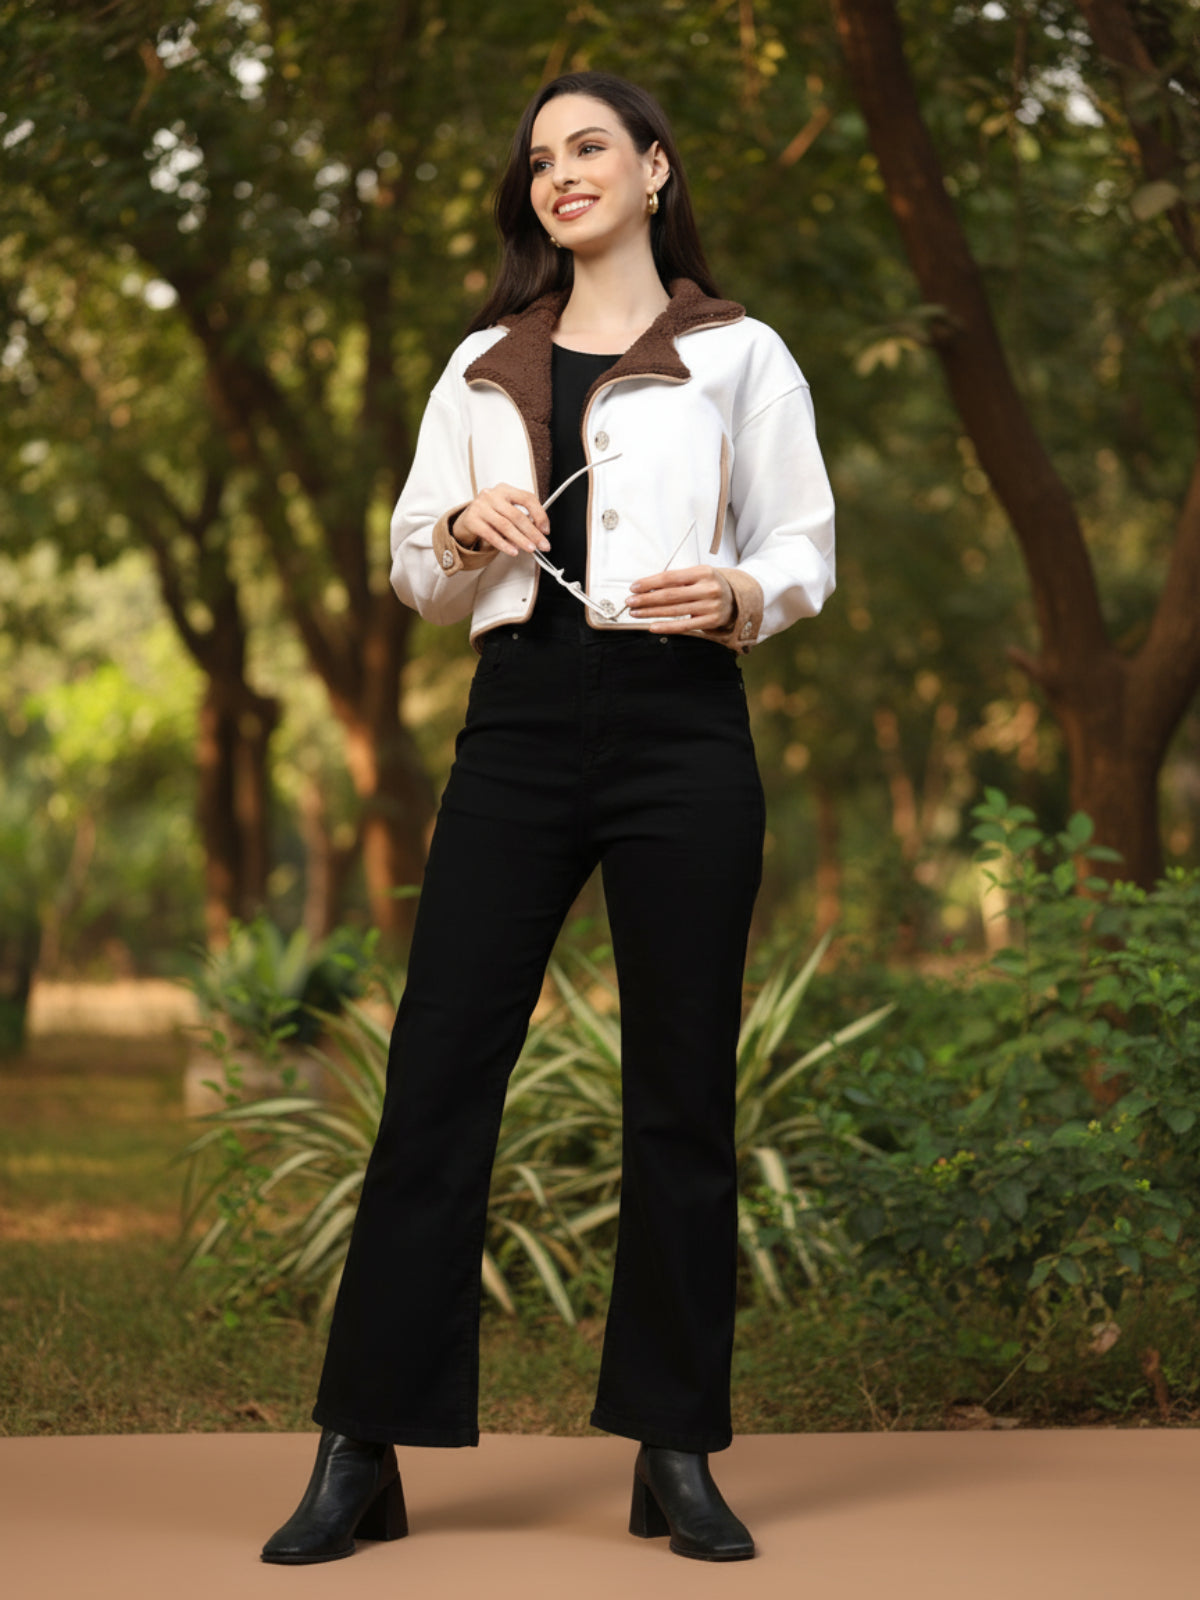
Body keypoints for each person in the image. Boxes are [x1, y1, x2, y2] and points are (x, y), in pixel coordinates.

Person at [260, 69, 835, 1567]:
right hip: (516, 727)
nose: (561, 175)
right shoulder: (481, 365)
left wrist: (745, 595)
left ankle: (677, 1450)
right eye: (539, 161)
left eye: (591, 149)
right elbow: (410, 563)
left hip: (682, 729)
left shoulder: (739, 353)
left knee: (682, 1094)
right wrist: (460, 528)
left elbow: (802, 544)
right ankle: (358, 1452)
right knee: (438, 1073)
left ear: (653, 169)